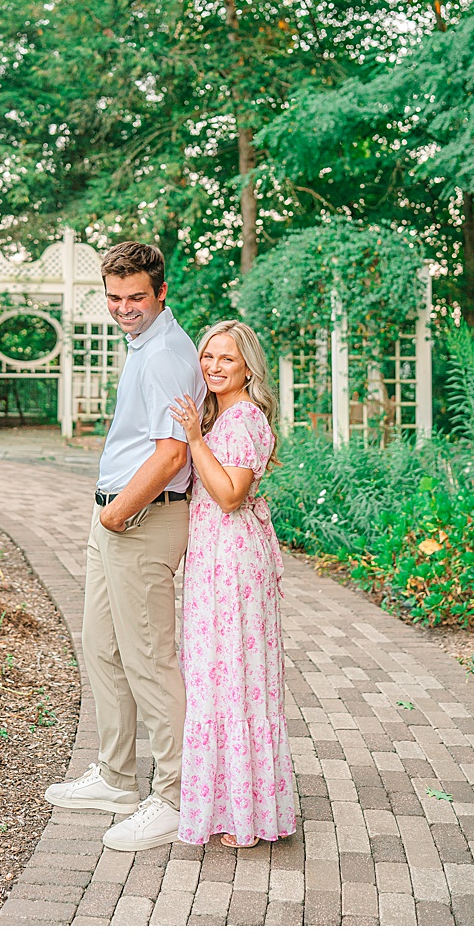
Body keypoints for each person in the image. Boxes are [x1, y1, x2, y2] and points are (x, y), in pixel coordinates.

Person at [44, 241, 204, 852]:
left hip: (142, 520)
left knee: (150, 660)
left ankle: (176, 797)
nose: (124, 308)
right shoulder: (142, 345)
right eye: (114, 298)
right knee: (103, 648)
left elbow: (171, 454)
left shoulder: (165, 353)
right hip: (118, 518)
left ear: (162, 292)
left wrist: (115, 516)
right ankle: (116, 778)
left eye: (136, 297)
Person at [170, 321, 298, 848]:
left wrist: (195, 440)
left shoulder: (242, 420)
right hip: (213, 562)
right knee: (215, 677)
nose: (214, 367)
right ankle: (228, 804)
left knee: (234, 679)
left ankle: (245, 815)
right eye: (207, 358)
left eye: (225, 358)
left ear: (248, 365)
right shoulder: (220, 415)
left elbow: (228, 495)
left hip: (235, 565)